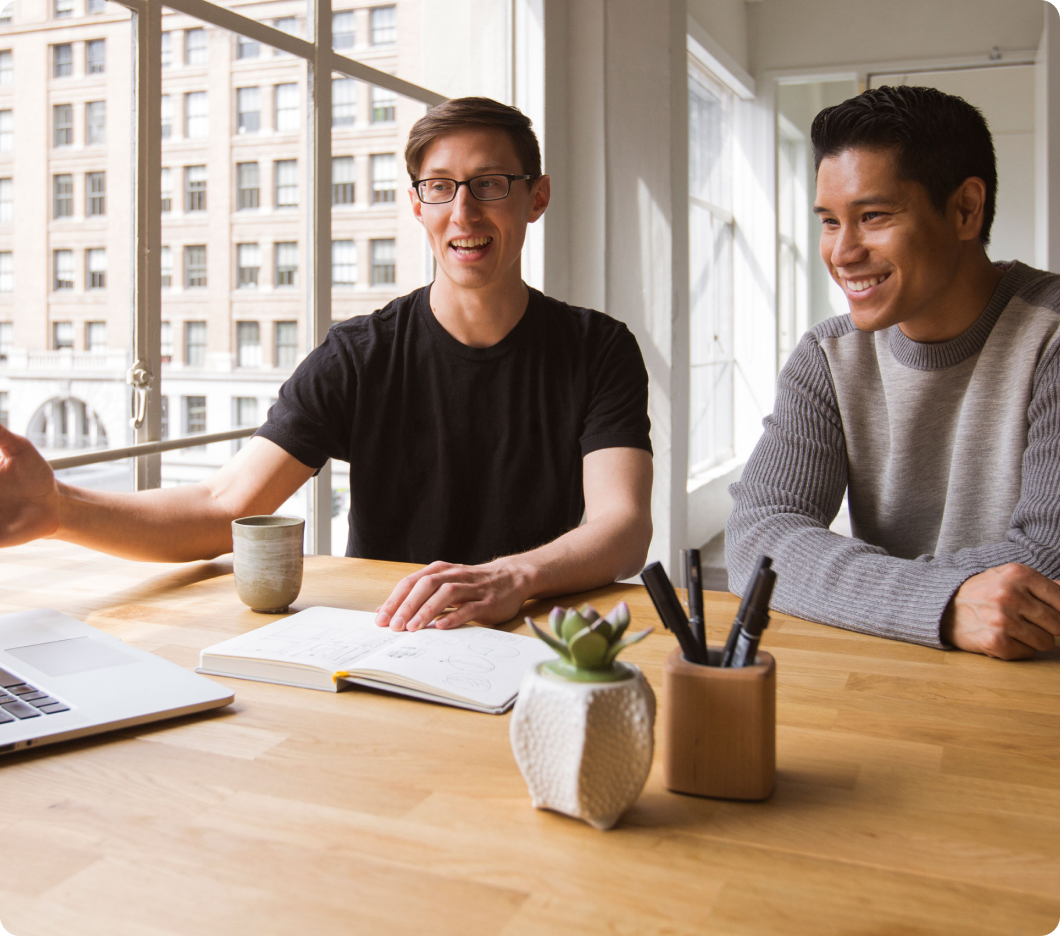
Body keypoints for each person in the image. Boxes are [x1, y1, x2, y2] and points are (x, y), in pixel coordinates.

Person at [0, 97, 654, 633]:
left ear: (535, 198)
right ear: (417, 205)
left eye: (490, 184)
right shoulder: (360, 355)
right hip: (394, 637)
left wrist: (515, 577)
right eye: (441, 187)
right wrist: (59, 507)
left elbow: (620, 527)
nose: (464, 211)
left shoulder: (597, 348)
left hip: (541, 633)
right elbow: (222, 505)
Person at [726, 85, 1060, 661]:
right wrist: (943, 601)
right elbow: (757, 539)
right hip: (895, 667)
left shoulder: (1050, 334)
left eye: (873, 216)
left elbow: (1047, 562)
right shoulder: (828, 356)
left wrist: (849, 586)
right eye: (830, 221)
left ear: (965, 209)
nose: (842, 251)